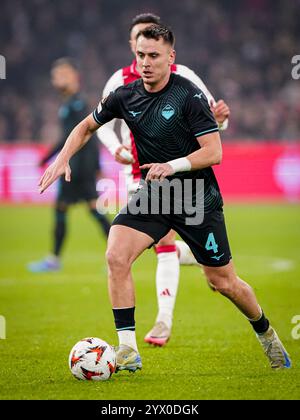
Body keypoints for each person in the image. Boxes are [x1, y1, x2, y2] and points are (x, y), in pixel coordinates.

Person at [38, 25, 291, 373]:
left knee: (223, 282)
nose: (145, 62)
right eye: (140, 55)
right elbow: (86, 126)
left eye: (153, 56)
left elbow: (213, 152)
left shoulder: (189, 96)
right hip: (154, 195)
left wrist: (171, 166)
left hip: (196, 198)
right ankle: (127, 349)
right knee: (116, 254)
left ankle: (267, 334)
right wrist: (62, 157)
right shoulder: (124, 95)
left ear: (170, 57)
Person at [97, 13, 231, 346]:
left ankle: (163, 321)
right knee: (156, 246)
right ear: (132, 44)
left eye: (150, 43)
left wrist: (222, 123)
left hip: (182, 178)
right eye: (138, 43)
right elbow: (97, 123)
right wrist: (115, 148)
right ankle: (190, 255)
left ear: (165, 48)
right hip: (137, 173)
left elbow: (215, 123)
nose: (144, 54)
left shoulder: (183, 77)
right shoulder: (119, 81)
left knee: (166, 244)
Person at [28, 58, 111, 273]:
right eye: (55, 76)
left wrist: (50, 158)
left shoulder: (78, 104)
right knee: (92, 210)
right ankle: (118, 253)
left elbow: (85, 136)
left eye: (62, 75)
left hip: (75, 168)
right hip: (77, 166)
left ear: (74, 77)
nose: (57, 79)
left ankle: (54, 259)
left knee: (66, 209)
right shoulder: (69, 103)